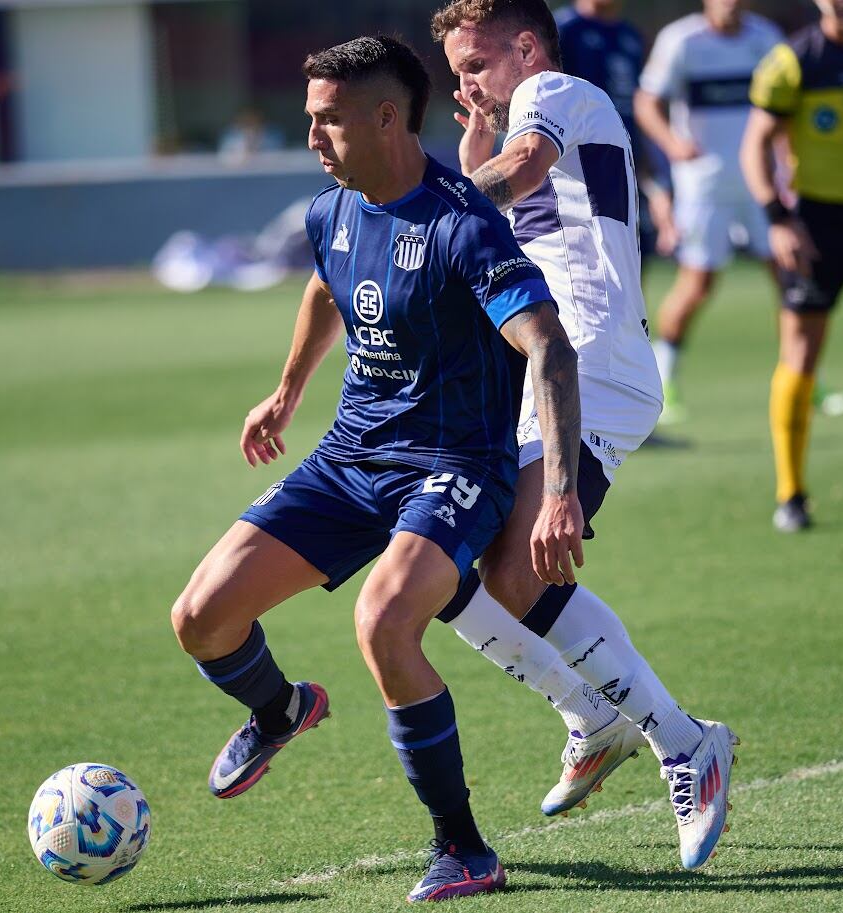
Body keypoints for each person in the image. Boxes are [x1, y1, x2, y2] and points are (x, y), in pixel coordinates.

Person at [171, 34, 584, 903]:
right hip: (349, 457)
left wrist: (558, 493)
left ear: (388, 117)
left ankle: (464, 847)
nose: (312, 137)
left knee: (384, 619)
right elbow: (326, 283)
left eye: (328, 121)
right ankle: (280, 708)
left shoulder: (462, 225)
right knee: (201, 618)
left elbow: (546, 346)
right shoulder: (332, 209)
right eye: (310, 119)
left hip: (452, 462)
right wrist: (285, 393)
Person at [429, 0, 739, 870]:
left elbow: (522, 170)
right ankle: (589, 713)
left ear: (526, 48)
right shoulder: (520, 113)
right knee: (433, 563)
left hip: (590, 358)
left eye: (475, 62)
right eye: (455, 71)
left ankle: (682, 742)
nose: (465, 83)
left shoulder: (560, 89)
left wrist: (426, 203)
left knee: (518, 570)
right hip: (530, 366)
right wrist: (465, 160)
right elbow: (499, 189)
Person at [635, 0, 783, 422]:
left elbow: (788, 105)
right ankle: (666, 380)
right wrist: (673, 144)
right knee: (698, 282)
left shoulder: (765, 37)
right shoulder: (682, 40)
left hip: (761, 181)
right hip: (704, 184)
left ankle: (802, 374)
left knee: (790, 277)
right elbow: (648, 102)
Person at [741, 0, 843, 530]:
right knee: (802, 354)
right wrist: (779, 219)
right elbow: (754, 146)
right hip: (817, 224)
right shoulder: (794, 61)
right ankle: (792, 494)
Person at [555, 0, 677, 260]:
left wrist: (654, 184)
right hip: (578, 171)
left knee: (633, 261)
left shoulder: (630, 36)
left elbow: (636, 113)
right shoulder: (561, 30)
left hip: (624, 165)